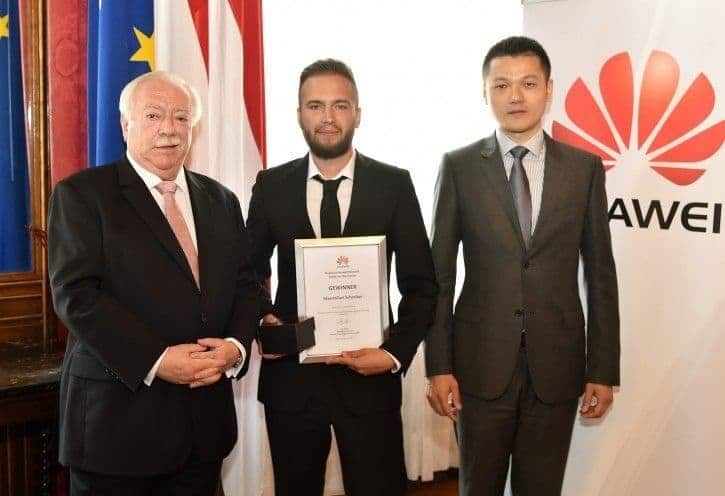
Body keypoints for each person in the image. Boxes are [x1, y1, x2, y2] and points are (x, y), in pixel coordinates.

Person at [48, 71, 265, 496]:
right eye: (153, 115)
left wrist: (236, 348)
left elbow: (247, 285)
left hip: (203, 428)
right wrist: (157, 359)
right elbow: (77, 296)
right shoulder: (83, 194)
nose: (169, 128)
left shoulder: (221, 200)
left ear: (193, 128)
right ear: (126, 125)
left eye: (181, 118)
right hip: (118, 428)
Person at [425, 36, 620, 495]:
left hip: (557, 367)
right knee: (479, 487)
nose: (516, 96)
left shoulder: (584, 169)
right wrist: (438, 365)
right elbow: (439, 274)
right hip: (478, 367)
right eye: (502, 85)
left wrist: (603, 368)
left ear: (549, 89)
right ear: (485, 91)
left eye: (529, 83)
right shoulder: (459, 166)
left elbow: (601, 274)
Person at [246, 58, 438, 496]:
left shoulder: (394, 184)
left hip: (370, 379)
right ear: (299, 114)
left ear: (357, 114)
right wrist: (265, 323)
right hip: (292, 381)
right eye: (315, 105)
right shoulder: (271, 185)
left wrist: (392, 355)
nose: (327, 117)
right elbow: (247, 273)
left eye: (340, 105)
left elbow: (421, 286)